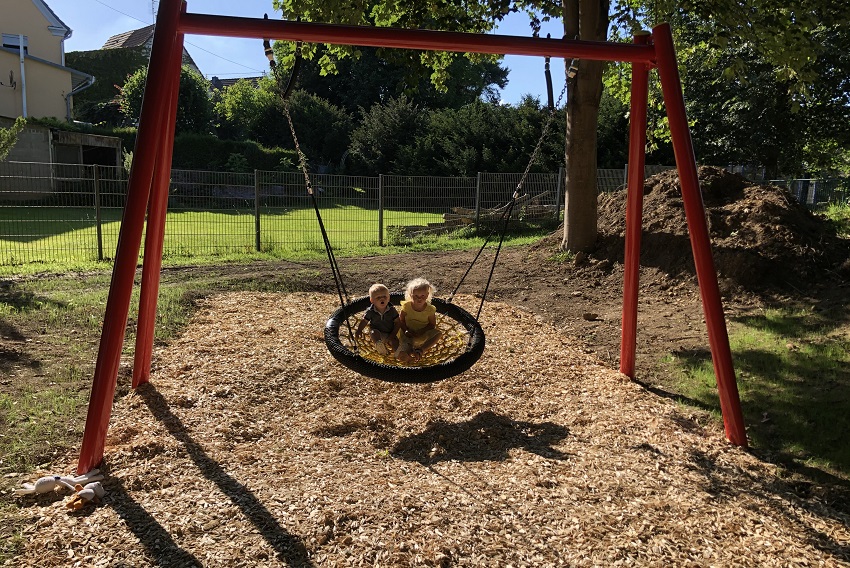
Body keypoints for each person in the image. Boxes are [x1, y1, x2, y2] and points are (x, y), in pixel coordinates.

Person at [396, 277, 442, 363]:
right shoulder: (407, 307)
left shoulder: (429, 310)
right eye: (416, 296)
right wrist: (405, 330)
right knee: (406, 343)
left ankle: (421, 350)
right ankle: (408, 354)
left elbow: (432, 324)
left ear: (427, 295)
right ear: (410, 295)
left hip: (423, 333)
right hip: (408, 332)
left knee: (438, 334)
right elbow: (400, 320)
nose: (419, 298)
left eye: (422, 296)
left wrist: (422, 331)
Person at [356, 283, 400, 356]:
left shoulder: (392, 310)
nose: (382, 299)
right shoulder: (370, 311)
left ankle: (398, 354)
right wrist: (359, 330)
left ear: (388, 298)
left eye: (384, 296)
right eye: (378, 297)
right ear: (372, 300)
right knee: (373, 332)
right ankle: (381, 348)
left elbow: (398, 322)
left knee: (394, 341)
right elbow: (364, 321)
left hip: (390, 333)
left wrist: (393, 334)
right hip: (378, 333)